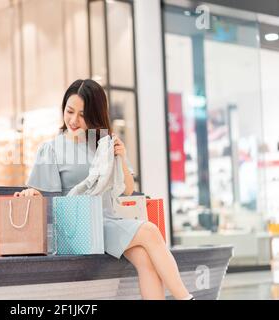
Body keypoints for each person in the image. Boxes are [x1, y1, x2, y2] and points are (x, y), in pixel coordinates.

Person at [14, 79, 194, 300]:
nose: (73, 120)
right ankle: (186, 298)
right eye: (70, 111)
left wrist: (122, 156)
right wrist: (30, 193)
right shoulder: (51, 148)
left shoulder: (104, 145)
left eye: (82, 114)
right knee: (150, 231)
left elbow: (127, 190)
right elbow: (41, 193)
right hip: (80, 224)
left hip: (110, 221)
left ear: (95, 114)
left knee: (146, 261)